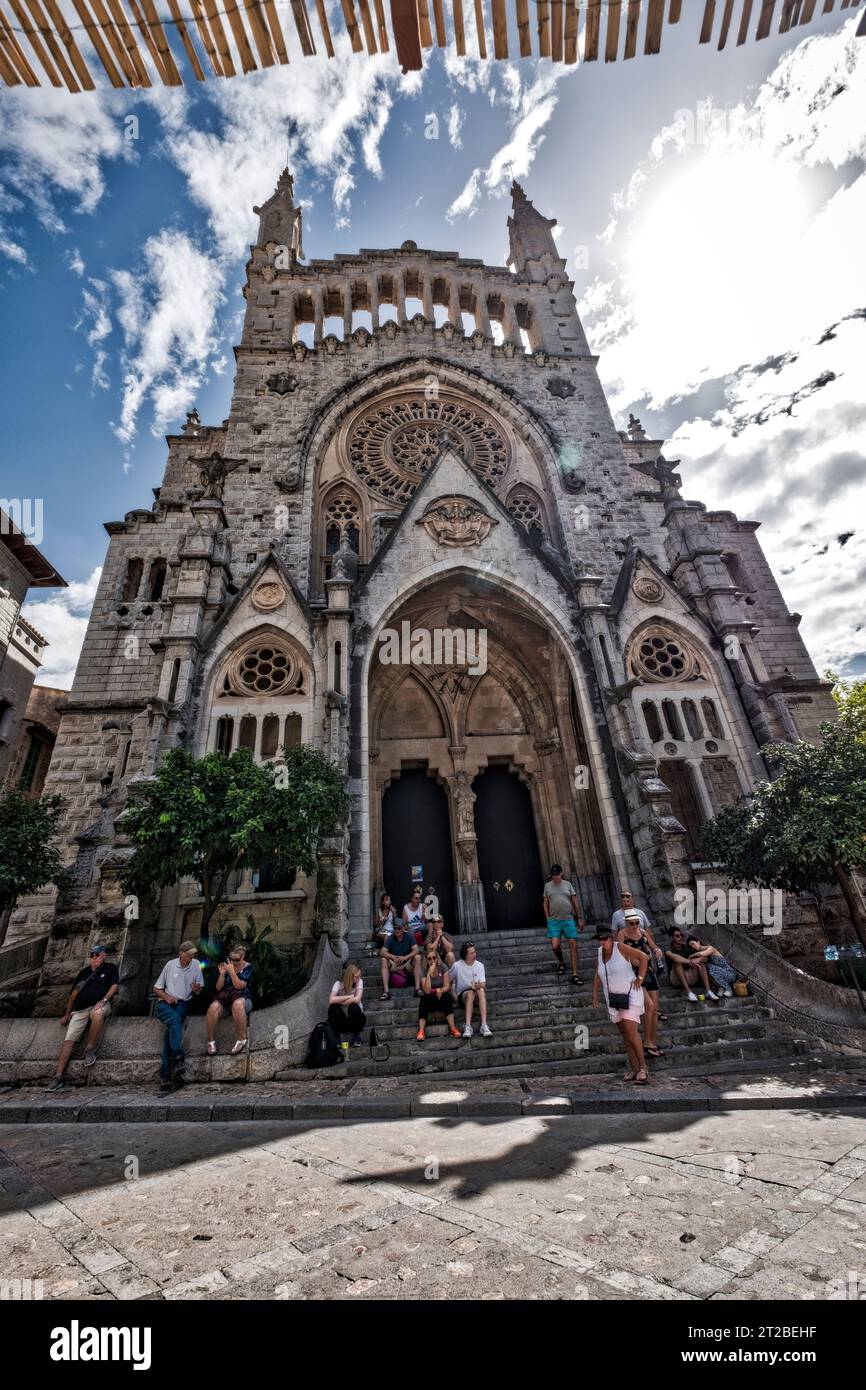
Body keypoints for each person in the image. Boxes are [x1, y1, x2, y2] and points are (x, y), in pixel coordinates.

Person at [44, 945, 119, 1092]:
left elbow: (114, 986)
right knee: (69, 1039)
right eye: (91, 955)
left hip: (99, 1005)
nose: (94, 958)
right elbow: (73, 994)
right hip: (79, 1009)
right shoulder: (84, 972)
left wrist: (104, 1000)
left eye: (97, 955)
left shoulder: (110, 968)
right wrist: (67, 1013)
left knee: (97, 1014)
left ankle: (89, 1048)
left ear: (104, 955)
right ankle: (58, 1076)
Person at [592, 924, 649, 1084]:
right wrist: (594, 994)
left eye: (604, 939)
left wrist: (640, 978)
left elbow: (643, 957)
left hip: (630, 994)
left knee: (631, 1031)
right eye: (600, 939)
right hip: (614, 999)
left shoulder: (621, 948)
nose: (602, 942)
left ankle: (643, 1068)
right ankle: (634, 1068)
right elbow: (598, 974)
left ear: (610, 938)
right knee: (625, 1035)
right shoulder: (599, 953)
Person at [153, 940, 204, 1091]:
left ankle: (165, 1074)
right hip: (165, 1003)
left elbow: (199, 989)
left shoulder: (196, 965)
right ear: (181, 954)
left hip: (182, 1004)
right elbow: (156, 988)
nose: (191, 957)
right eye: (189, 954)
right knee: (174, 1021)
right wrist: (167, 997)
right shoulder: (170, 965)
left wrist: (196, 989)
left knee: (171, 1030)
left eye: (193, 954)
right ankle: (178, 1056)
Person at [617, 908, 664, 1060]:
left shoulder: (642, 931)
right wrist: (630, 958)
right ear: (626, 923)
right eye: (632, 923)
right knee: (649, 1006)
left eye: (637, 922)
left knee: (655, 1009)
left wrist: (657, 950)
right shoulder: (622, 934)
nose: (635, 925)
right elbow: (619, 953)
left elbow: (652, 945)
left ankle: (651, 1042)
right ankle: (647, 1042)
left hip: (648, 970)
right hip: (634, 973)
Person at [205, 945, 254, 1056]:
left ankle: (241, 1040)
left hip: (243, 999)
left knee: (237, 1004)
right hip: (226, 1000)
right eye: (232, 959)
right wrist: (222, 974)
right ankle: (210, 1041)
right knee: (213, 1008)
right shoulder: (228, 966)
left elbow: (240, 986)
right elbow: (218, 988)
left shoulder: (248, 968)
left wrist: (231, 972)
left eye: (237, 959)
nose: (234, 962)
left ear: (243, 957)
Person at [542, 864, 586, 984]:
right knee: (555, 946)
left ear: (561, 873)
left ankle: (575, 974)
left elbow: (574, 900)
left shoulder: (568, 885)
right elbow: (545, 902)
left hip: (568, 920)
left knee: (573, 945)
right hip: (554, 921)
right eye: (553, 875)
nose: (555, 877)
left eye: (557, 874)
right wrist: (547, 918)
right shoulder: (547, 886)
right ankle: (561, 961)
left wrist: (580, 917)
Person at [416, 946, 461, 1041]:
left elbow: (446, 986)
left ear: (437, 958)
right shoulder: (424, 971)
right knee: (424, 998)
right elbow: (426, 990)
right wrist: (428, 974)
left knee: (447, 997)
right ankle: (421, 1030)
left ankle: (453, 1028)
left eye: (434, 957)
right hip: (430, 999)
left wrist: (440, 990)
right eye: (429, 958)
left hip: (441, 998)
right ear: (426, 960)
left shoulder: (443, 967)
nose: (432, 960)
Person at [449, 942, 492, 1038]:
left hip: (476, 992)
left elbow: (483, 984)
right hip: (462, 995)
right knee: (470, 993)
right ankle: (468, 1026)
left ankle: (484, 1025)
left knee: (481, 991)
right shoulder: (457, 966)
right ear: (465, 955)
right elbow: (447, 980)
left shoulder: (480, 965)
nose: (474, 954)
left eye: (474, 952)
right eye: (471, 953)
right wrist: (453, 994)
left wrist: (477, 985)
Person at [665, 927, 719, 1003]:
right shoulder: (668, 948)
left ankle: (709, 991)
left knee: (701, 963)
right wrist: (689, 962)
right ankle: (689, 993)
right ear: (671, 937)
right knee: (677, 963)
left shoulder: (687, 946)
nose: (680, 937)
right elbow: (674, 957)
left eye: (681, 935)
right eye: (677, 936)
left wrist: (697, 960)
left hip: (690, 976)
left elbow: (705, 958)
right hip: (676, 979)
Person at [329, 961, 365, 1056]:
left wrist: (339, 999)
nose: (358, 978)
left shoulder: (359, 982)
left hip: (358, 1020)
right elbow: (331, 1000)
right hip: (343, 1021)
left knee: (353, 1006)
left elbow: (357, 999)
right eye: (356, 976)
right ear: (350, 976)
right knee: (333, 1007)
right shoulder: (338, 984)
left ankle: (356, 1036)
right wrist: (349, 997)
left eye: (359, 976)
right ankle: (336, 1037)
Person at [379, 918, 422, 999]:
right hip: (395, 963)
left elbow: (416, 950)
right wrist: (393, 957)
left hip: (406, 963)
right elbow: (382, 952)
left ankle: (417, 989)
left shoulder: (409, 936)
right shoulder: (391, 937)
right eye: (395, 928)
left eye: (399, 928)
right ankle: (386, 991)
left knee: (418, 957)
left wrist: (406, 957)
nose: (396, 930)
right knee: (383, 960)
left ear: (403, 928)